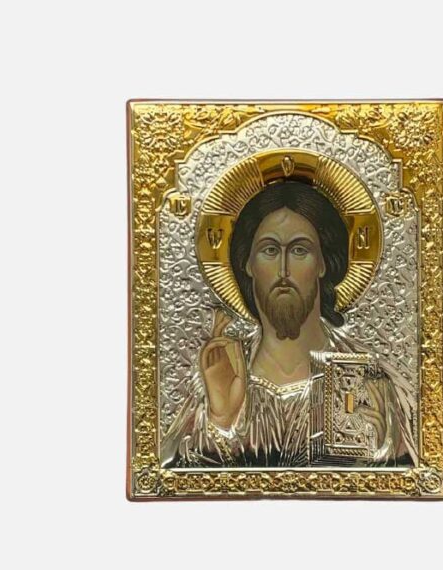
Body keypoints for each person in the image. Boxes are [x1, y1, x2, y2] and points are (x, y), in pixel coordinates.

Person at [161, 181, 417, 467]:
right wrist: (220, 422)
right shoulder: (219, 370)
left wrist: (378, 451)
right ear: (248, 264)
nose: (283, 270)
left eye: (299, 250)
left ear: (323, 263)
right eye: (270, 250)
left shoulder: (365, 378)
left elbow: (405, 477)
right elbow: (172, 476)